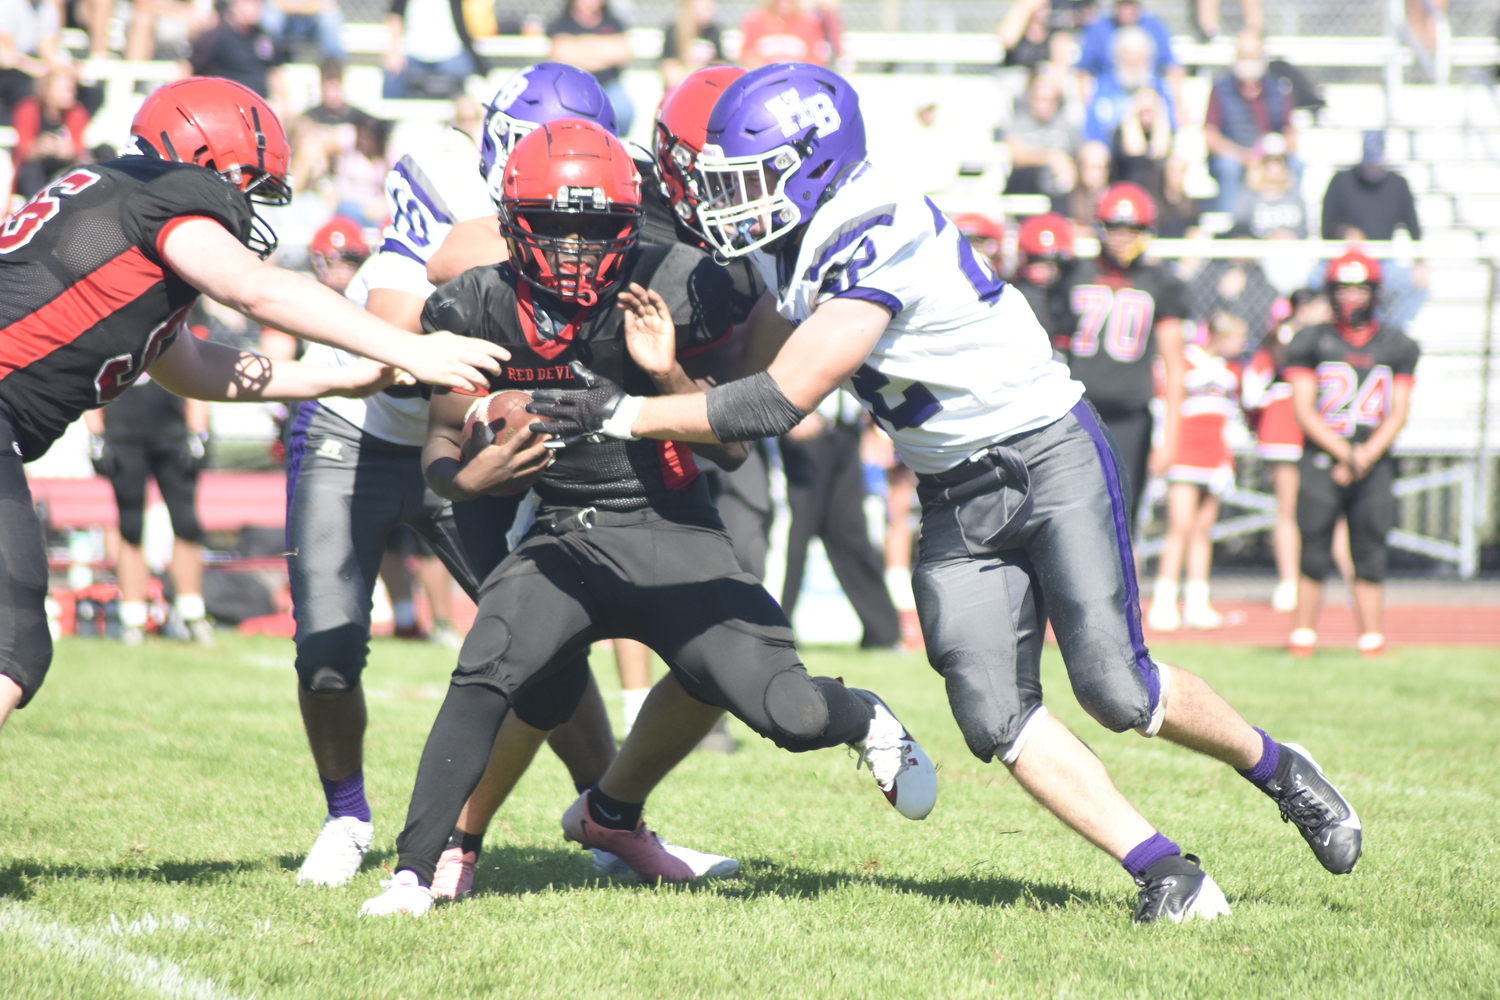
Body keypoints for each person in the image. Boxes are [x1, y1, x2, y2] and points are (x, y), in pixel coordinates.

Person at [550, 61, 1363, 923]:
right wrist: (663, 376)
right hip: (949, 486)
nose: (731, 200)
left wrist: (625, 413)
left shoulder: (872, 222)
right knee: (991, 713)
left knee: (1117, 688)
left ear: (814, 163)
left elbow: (780, 397)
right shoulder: (792, 239)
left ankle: (1277, 767)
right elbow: (738, 386)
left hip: (1045, 452)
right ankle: (1167, 872)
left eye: (752, 179)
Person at [358, 117, 936, 917]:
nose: (572, 251)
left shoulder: (672, 286)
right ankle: (413, 872)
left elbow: (731, 450)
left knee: (793, 715)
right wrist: (467, 479)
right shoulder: (477, 303)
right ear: (513, 225)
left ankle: (863, 711)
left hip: (674, 529)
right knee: (486, 669)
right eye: (553, 230)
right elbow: (445, 438)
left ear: (628, 228)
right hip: (562, 537)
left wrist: (666, 373)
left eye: (592, 232)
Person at [304, 64, 743, 896]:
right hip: (363, 428)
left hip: (487, 445)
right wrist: (558, 227)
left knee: (544, 652)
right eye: (556, 203)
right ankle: (347, 817)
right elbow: (406, 314)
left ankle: (603, 826)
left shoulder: (568, 203)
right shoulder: (444, 166)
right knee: (329, 652)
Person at [0, 77, 512, 732]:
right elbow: (254, 290)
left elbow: (190, 365)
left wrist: (333, 380)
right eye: (251, 186)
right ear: (212, 163)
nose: (250, 207)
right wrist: (406, 349)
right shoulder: (168, 196)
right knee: (14, 644)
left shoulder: (113, 208)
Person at [1285, 252, 1418, 659]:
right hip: (1325, 455)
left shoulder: (1397, 344)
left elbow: (1398, 410)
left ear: (1375, 292)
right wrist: (1346, 452)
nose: (1352, 297)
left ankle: (1371, 639)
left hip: (1372, 460)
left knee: (1370, 546)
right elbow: (1304, 409)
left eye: (1360, 288)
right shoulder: (1311, 340)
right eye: (1344, 287)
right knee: (1313, 545)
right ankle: (1303, 636)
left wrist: (1366, 454)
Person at [1059, 182, 1188, 527]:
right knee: (1069, 513)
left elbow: (1174, 365)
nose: (1122, 238)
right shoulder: (1075, 274)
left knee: (1121, 520)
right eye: (1115, 228)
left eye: (1132, 230)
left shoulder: (1160, 281)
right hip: (1076, 412)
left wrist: (1171, 435)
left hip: (1131, 418)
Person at [84, 367, 215, 646]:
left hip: (172, 433)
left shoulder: (170, 323)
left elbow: (194, 371)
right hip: (123, 435)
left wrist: (198, 429)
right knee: (131, 526)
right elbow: (92, 374)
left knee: (186, 523)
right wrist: (96, 432)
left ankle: (192, 613)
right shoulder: (110, 330)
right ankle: (133, 616)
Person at [1146, 310, 1246, 631]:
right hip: (1185, 455)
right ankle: (1164, 601)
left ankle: (1197, 602)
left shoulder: (1231, 371)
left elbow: (1230, 417)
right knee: (1180, 527)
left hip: (1214, 457)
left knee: (1203, 530)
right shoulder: (1185, 362)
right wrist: (1163, 448)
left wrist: (1226, 461)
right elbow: (1164, 408)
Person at [779, 390, 902, 649]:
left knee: (850, 532)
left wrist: (873, 424)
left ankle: (883, 636)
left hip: (847, 430)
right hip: (801, 427)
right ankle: (775, 633)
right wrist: (784, 409)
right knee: (793, 534)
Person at [1242, 289, 1327, 613]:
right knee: (1288, 508)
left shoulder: (1331, 338)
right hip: (1286, 427)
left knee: (1327, 507)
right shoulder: (1283, 338)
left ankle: (1344, 577)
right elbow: (1252, 386)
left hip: (1320, 429)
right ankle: (1289, 581)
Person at [1204, 31, 1297, 214]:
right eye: (1243, 56)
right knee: (1228, 167)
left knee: (1295, 164)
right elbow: (1210, 136)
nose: (1248, 61)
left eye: (1252, 56)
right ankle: (1231, 228)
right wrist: (1245, 157)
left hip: (1271, 156)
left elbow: (1291, 134)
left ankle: (1291, 224)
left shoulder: (1278, 89)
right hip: (1235, 156)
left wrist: (1273, 155)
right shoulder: (1221, 90)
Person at [548, 0, 635, 136]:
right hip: (573, 88)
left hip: (608, 86)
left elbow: (623, 52)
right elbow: (561, 54)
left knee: (624, 111)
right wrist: (604, 51)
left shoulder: (613, 22)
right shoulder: (562, 23)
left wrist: (580, 47)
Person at [1082, 25, 1174, 146]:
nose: (1133, 60)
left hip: (1151, 153)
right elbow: (1093, 128)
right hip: (1110, 153)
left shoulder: (1157, 87)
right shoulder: (1104, 86)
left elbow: (1172, 124)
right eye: (1127, 54)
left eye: (1138, 54)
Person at [9, 63, 89, 200]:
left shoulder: (77, 112)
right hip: (33, 169)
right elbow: (22, 150)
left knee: (75, 171)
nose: (70, 94)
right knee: (31, 169)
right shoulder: (28, 109)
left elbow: (80, 149)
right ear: (47, 89)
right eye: (65, 90)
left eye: (71, 89)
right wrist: (38, 148)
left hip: (61, 169)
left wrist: (68, 151)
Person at [1004, 72, 1080, 206]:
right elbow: (1018, 157)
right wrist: (1050, 157)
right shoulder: (1018, 123)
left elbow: (1077, 158)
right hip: (1026, 190)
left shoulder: (1067, 126)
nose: (1043, 105)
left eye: (1048, 100)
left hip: (1058, 189)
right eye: (1039, 99)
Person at [383, 0, 481, 100]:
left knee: (471, 77)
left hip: (451, 54)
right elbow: (395, 16)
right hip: (412, 54)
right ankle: (389, 113)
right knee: (392, 74)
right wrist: (394, 51)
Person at [190, 0, 286, 99]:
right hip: (228, 102)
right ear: (233, 6)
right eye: (248, 3)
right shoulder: (216, 37)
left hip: (260, 103)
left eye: (257, 3)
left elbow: (275, 72)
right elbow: (191, 69)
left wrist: (282, 101)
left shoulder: (264, 36)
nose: (254, 8)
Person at [1010, 212, 1075, 353]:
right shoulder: (1015, 297)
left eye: (1053, 265)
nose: (1046, 271)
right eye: (1038, 262)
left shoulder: (1069, 295)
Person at [1233, 139, 1306, 240]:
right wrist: (1267, 238)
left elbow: (1304, 229)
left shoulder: (1294, 195)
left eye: (1279, 161)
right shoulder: (1249, 195)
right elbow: (1241, 228)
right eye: (1270, 162)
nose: (1275, 166)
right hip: (1259, 251)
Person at [0, 0, 59, 123]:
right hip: (8, 70)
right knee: (29, 87)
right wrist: (37, 69)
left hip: (30, 64)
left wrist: (57, 71)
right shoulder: (6, 5)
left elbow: (46, 49)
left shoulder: (48, 8)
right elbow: (7, 56)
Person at [737, 0, 828, 70]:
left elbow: (816, 59)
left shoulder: (809, 22)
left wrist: (792, 70)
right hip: (764, 79)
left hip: (798, 78)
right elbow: (747, 55)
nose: (784, 3)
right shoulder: (755, 21)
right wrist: (770, 71)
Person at [660, 0, 724, 92]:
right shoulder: (675, 31)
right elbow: (670, 73)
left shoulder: (713, 31)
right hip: (680, 90)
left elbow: (721, 67)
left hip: (707, 90)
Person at [260, 0, 345, 63]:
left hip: (313, 20)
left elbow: (328, 4)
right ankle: (264, 64)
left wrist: (298, 6)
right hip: (286, 19)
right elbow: (273, 3)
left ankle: (333, 71)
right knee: (270, 19)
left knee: (331, 19)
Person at [1065, 139, 1111, 226]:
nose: (1097, 173)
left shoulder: (1113, 201)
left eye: (1101, 167)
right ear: (1079, 167)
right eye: (1091, 167)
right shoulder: (1066, 199)